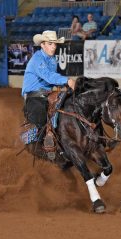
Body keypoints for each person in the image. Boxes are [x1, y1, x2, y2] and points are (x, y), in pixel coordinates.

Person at [22, 30, 75, 159]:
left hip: (48, 94)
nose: (53, 47)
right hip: (34, 95)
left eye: (55, 44)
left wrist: (62, 86)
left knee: (66, 108)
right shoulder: (37, 59)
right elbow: (48, 76)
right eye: (50, 44)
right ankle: (30, 142)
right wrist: (66, 80)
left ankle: (59, 139)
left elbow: (51, 80)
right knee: (40, 119)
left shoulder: (52, 60)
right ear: (42, 45)